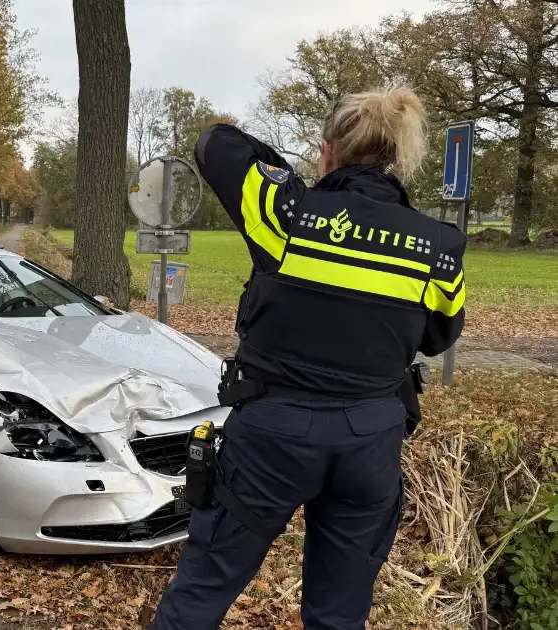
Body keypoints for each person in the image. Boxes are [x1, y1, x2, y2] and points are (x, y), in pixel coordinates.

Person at [149, 86, 466, 630]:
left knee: (203, 592)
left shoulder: (287, 213)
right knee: (338, 615)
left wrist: (298, 176)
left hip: (274, 435)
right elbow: (439, 336)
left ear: (328, 150)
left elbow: (216, 144)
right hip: (370, 439)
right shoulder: (437, 244)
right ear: (396, 158)